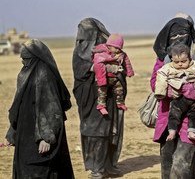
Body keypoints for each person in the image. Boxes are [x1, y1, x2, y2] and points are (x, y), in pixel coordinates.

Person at [151, 12, 195, 178]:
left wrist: (183, 89)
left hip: (193, 116)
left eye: (182, 34)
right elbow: (154, 82)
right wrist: (168, 92)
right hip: (167, 117)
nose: (179, 38)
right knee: (167, 162)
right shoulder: (163, 58)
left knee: (182, 162)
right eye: (174, 35)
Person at [5, 39, 74, 178]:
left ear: (35, 58)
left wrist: (46, 138)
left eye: (26, 59)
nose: (23, 62)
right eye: (22, 59)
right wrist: (12, 132)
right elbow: (19, 106)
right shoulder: (25, 74)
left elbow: (51, 108)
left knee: (39, 170)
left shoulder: (44, 75)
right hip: (25, 134)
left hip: (41, 136)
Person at [72, 18, 124, 178]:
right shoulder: (79, 50)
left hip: (107, 97)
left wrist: (113, 70)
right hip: (88, 98)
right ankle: (96, 168)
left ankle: (108, 165)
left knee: (109, 131)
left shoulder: (107, 47)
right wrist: (93, 68)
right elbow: (79, 73)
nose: (81, 37)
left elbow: (120, 66)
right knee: (95, 132)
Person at [154, 44, 195, 141]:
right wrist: (162, 92)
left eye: (183, 61)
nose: (180, 64)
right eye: (176, 62)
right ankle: (172, 131)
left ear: (190, 58)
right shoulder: (168, 68)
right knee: (173, 115)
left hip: (193, 100)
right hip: (177, 99)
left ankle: (192, 131)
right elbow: (160, 76)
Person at [92, 33, 134, 115]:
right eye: (117, 48)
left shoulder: (121, 54)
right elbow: (98, 60)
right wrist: (112, 58)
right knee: (102, 92)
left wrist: (129, 72)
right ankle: (101, 106)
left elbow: (127, 62)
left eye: (120, 48)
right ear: (110, 46)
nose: (119, 50)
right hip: (105, 78)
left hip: (115, 78)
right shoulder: (101, 52)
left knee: (120, 90)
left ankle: (120, 103)